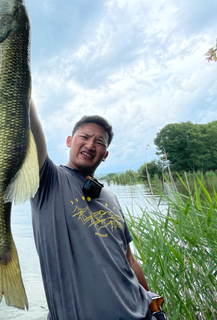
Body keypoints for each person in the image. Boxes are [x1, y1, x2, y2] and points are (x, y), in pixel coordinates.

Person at [29, 100, 166, 320]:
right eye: (84, 136)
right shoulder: (47, 181)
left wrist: (152, 304)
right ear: (69, 141)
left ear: (105, 155)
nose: (91, 145)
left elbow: (129, 260)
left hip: (141, 314)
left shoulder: (110, 197)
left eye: (99, 142)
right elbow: (31, 125)